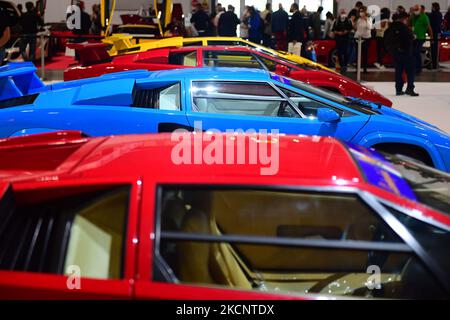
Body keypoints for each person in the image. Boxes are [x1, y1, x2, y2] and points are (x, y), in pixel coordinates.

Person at [384, 12, 418, 96]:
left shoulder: (391, 27)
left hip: (395, 52)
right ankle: (410, 88)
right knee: (410, 70)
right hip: (405, 53)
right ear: (404, 18)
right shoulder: (404, 28)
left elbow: (386, 39)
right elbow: (407, 39)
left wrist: (392, 49)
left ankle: (398, 89)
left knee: (398, 70)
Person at [410, 4, 433, 74]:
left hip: (421, 38)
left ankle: (418, 69)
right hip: (413, 38)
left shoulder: (424, 17)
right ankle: (413, 67)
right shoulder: (413, 17)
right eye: (414, 10)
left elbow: (429, 27)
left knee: (416, 52)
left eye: (416, 10)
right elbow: (409, 24)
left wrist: (431, 36)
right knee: (413, 53)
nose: (415, 11)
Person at [332, 9, 353, 74]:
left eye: (344, 12)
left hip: (346, 39)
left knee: (345, 52)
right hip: (338, 39)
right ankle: (341, 65)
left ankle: (345, 65)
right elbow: (333, 30)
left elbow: (350, 29)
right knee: (339, 52)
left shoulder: (348, 21)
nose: (343, 13)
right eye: (342, 12)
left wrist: (346, 32)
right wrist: (338, 32)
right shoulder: (336, 21)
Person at [354, 5, 372, 73]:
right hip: (358, 37)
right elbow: (356, 28)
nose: (361, 13)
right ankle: (357, 68)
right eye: (360, 11)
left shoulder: (369, 18)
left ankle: (365, 68)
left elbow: (369, 27)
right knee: (358, 54)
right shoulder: (358, 19)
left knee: (365, 54)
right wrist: (354, 23)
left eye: (362, 11)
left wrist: (365, 19)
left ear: (365, 12)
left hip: (366, 38)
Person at [429, 2, 443, 69]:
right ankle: (435, 64)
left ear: (434, 7)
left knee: (433, 49)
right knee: (436, 49)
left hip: (433, 33)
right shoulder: (440, 14)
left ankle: (433, 64)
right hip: (437, 33)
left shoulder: (431, 15)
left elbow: (430, 25)